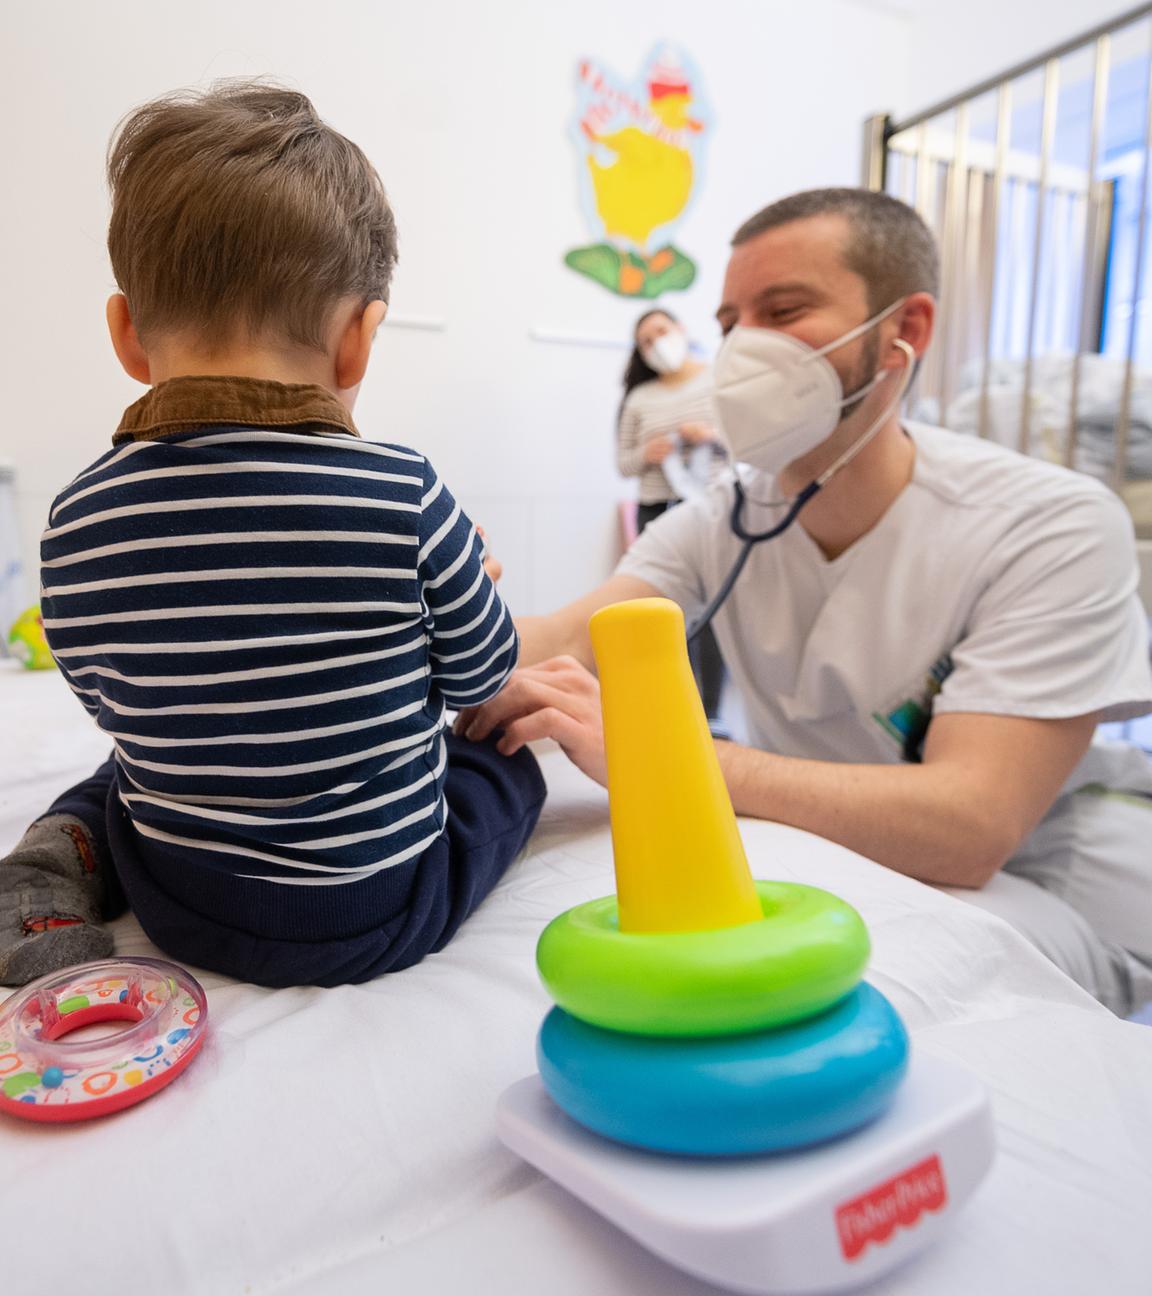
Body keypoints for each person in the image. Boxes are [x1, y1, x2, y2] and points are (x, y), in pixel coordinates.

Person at [458, 187, 1152, 1017]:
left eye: (784, 311)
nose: (744, 348)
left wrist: (665, 756)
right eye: (729, 324)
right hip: (834, 852)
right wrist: (430, 611)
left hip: (1041, 880)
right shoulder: (726, 515)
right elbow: (571, 635)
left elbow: (970, 827)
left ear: (908, 331)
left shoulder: (1050, 525)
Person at [0, 82, 545, 989]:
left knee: (132, 765)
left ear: (127, 335)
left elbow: (108, 701)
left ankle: (57, 855)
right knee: (503, 761)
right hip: (375, 911)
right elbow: (484, 678)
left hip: (181, 901)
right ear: (360, 341)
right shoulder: (404, 488)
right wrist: (465, 588)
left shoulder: (75, 517)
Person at [616, 308, 727, 720]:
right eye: (646, 341)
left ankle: (711, 713)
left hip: (710, 510)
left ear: (681, 328)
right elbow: (623, 463)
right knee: (666, 613)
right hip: (656, 511)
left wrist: (711, 437)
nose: (656, 343)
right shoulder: (639, 399)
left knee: (713, 614)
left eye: (661, 331)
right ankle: (677, 708)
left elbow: (746, 443)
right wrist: (646, 454)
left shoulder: (718, 380)